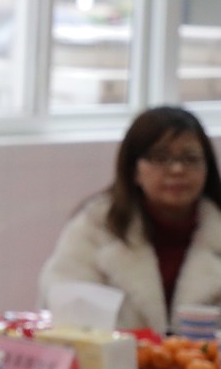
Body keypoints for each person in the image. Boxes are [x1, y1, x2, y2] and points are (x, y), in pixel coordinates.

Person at [38, 105, 221, 332]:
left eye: (190, 158)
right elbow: (67, 308)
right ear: (134, 169)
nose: (177, 169)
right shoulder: (95, 227)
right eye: (160, 157)